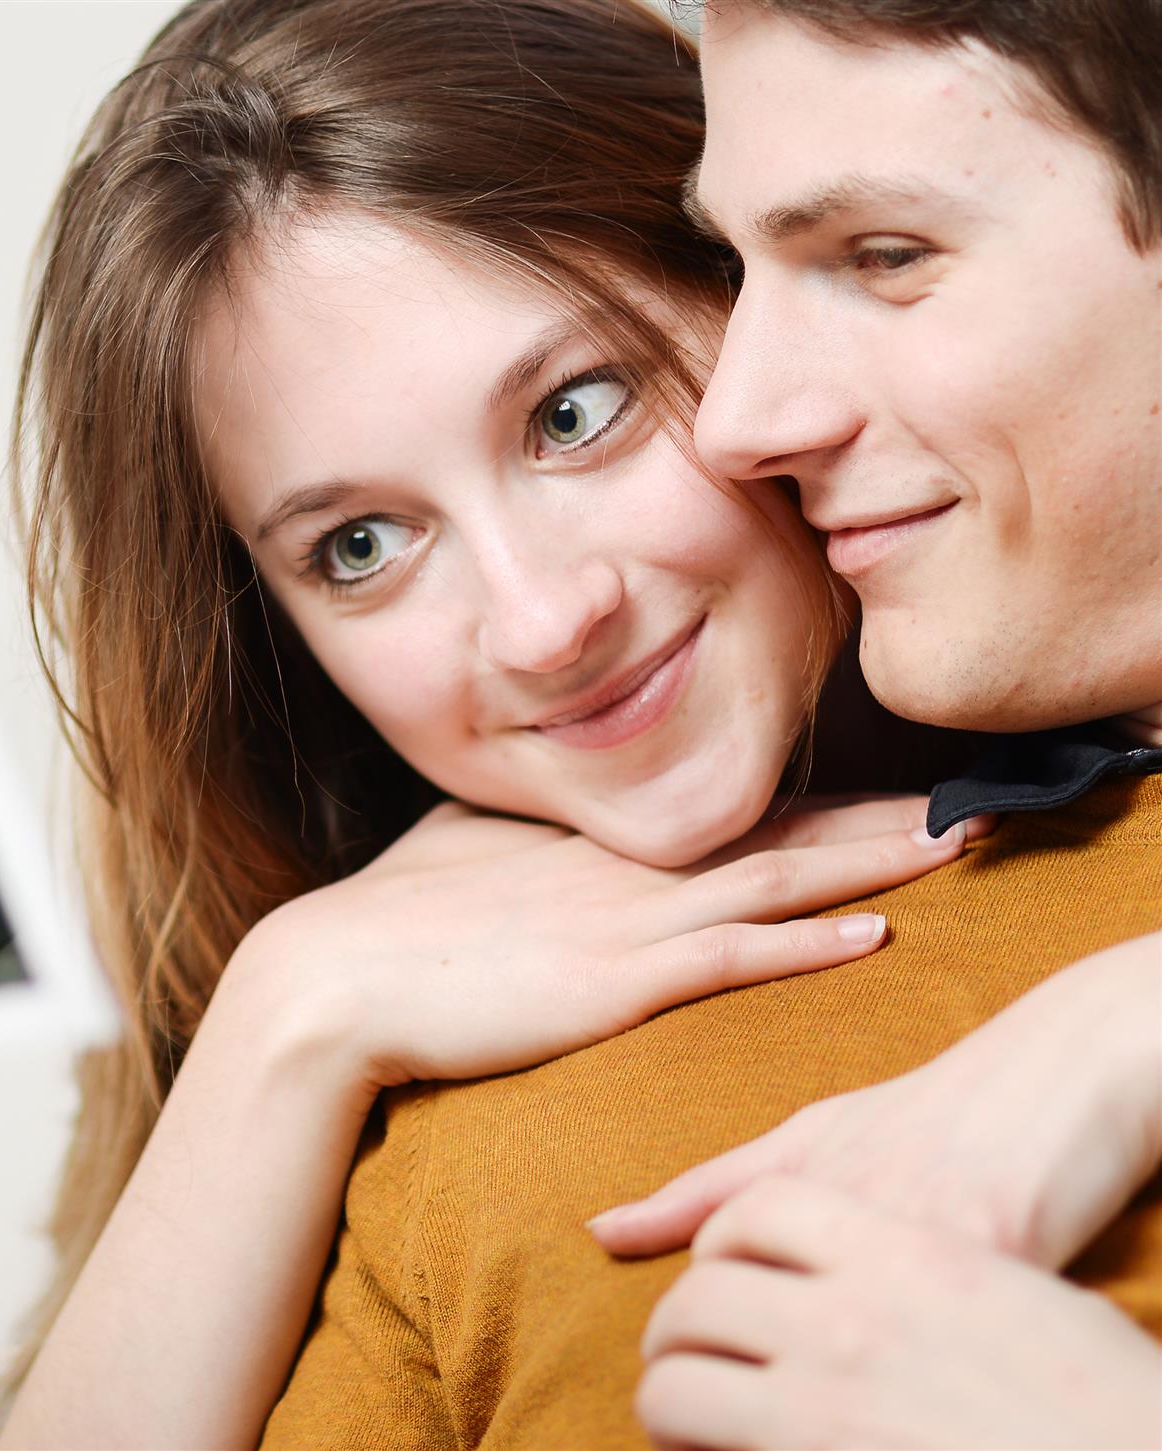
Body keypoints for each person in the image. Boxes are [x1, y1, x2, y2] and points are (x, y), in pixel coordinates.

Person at [0, 1, 1158, 1447]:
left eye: (577, 411)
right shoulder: (380, 1149)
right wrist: (283, 1026)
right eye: (357, 547)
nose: (545, 621)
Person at [259, 1, 1162, 1447]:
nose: (749, 417)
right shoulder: (457, 1115)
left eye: (886, 257)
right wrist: (279, 1022)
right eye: (356, 543)